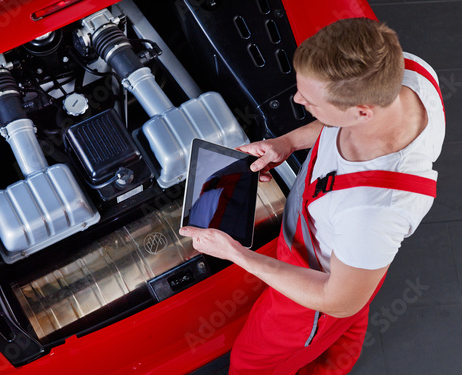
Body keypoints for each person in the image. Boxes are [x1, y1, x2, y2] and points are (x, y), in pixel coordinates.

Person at [179, 17, 445, 374]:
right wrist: (287, 142)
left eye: (310, 101)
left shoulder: (374, 210)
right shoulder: (404, 71)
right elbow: (339, 117)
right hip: (354, 259)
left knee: (252, 361)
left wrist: (237, 255)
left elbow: (339, 300)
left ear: (361, 113)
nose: (296, 99)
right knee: (353, 307)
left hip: (318, 290)